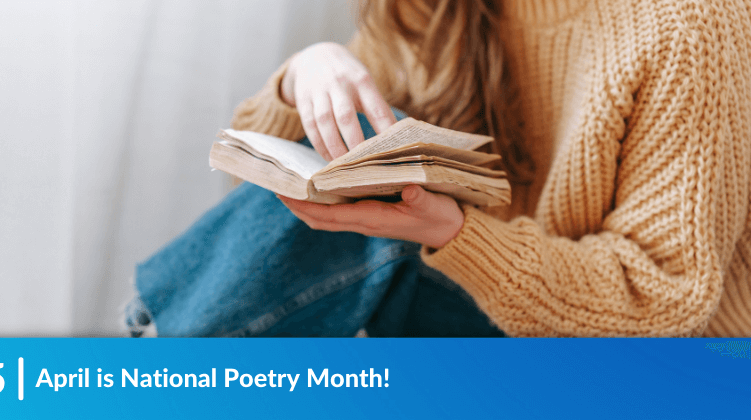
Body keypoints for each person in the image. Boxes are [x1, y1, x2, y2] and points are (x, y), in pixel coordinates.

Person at [126, 0, 751, 337]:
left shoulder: (689, 19)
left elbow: (665, 305)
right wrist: (302, 77)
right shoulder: (437, 9)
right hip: (491, 315)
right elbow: (265, 211)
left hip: (655, 362)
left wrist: (455, 235)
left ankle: (150, 366)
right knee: (361, 161)